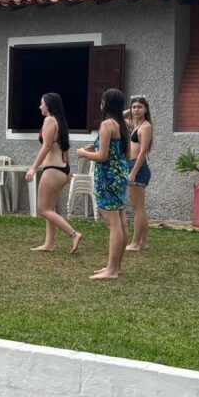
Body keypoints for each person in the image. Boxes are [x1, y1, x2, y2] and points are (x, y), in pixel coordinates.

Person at [76, 89, 129, 280]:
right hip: (120, 176)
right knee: (120, 220)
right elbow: (124, 153)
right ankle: (116, 266)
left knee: (113, 224)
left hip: (107, 179)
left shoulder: (107, 125)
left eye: (102, 101)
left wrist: (83, 153)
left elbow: (102, 156)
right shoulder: (122, 125)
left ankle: (111, 270)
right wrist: (96, 146)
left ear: (106, 103)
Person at [25, 93, 83, 253]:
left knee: (43, 209)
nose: (40, 107)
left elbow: (46, 146)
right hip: (62, 169)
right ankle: (49, 243)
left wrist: (33, 168)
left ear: (48, 105)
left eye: (42, 103)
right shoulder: (59, 121)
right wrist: (68, 169)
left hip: (53, 169)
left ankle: (74, 234)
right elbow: (64, 148)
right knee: (50, 207)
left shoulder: (49, 120)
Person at [123, 95, 153, 252]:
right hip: (132, 166)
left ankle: (135, 243)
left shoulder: (146, 126)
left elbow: (142, 152)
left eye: (140, 107)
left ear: (146, 109)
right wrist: (131, 109)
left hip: (138, 168)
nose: (136, 110)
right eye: (134, 107)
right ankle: (143, 242)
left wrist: (133, 172)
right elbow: (118, 118)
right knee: (140, 208)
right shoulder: (135, 124)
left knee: (137, 209)